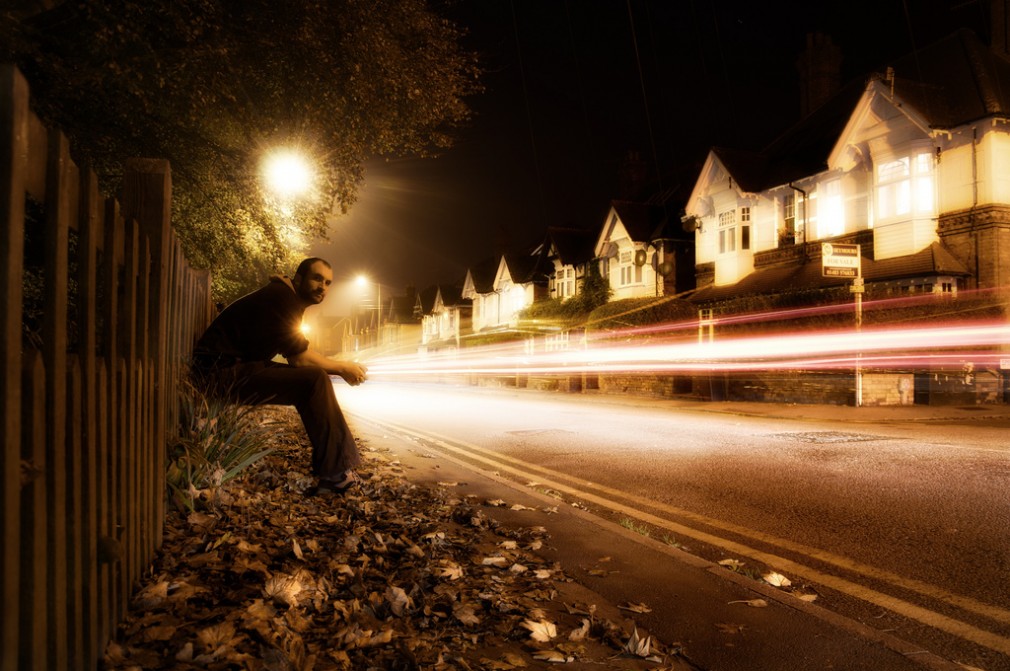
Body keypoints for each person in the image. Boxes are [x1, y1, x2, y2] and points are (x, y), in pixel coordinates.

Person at [191, 257, 368, 495]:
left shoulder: (284, 299)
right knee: (314, 380)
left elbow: (295, 356)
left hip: (230, 370)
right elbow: (300, 358)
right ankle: (335, 475)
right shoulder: (280, 299)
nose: (323, 287)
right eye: (317, 278)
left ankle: (334, 471)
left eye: (328, 283)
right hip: (217, 375)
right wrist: (342, 367)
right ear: (298, 278)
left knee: (313, 380)